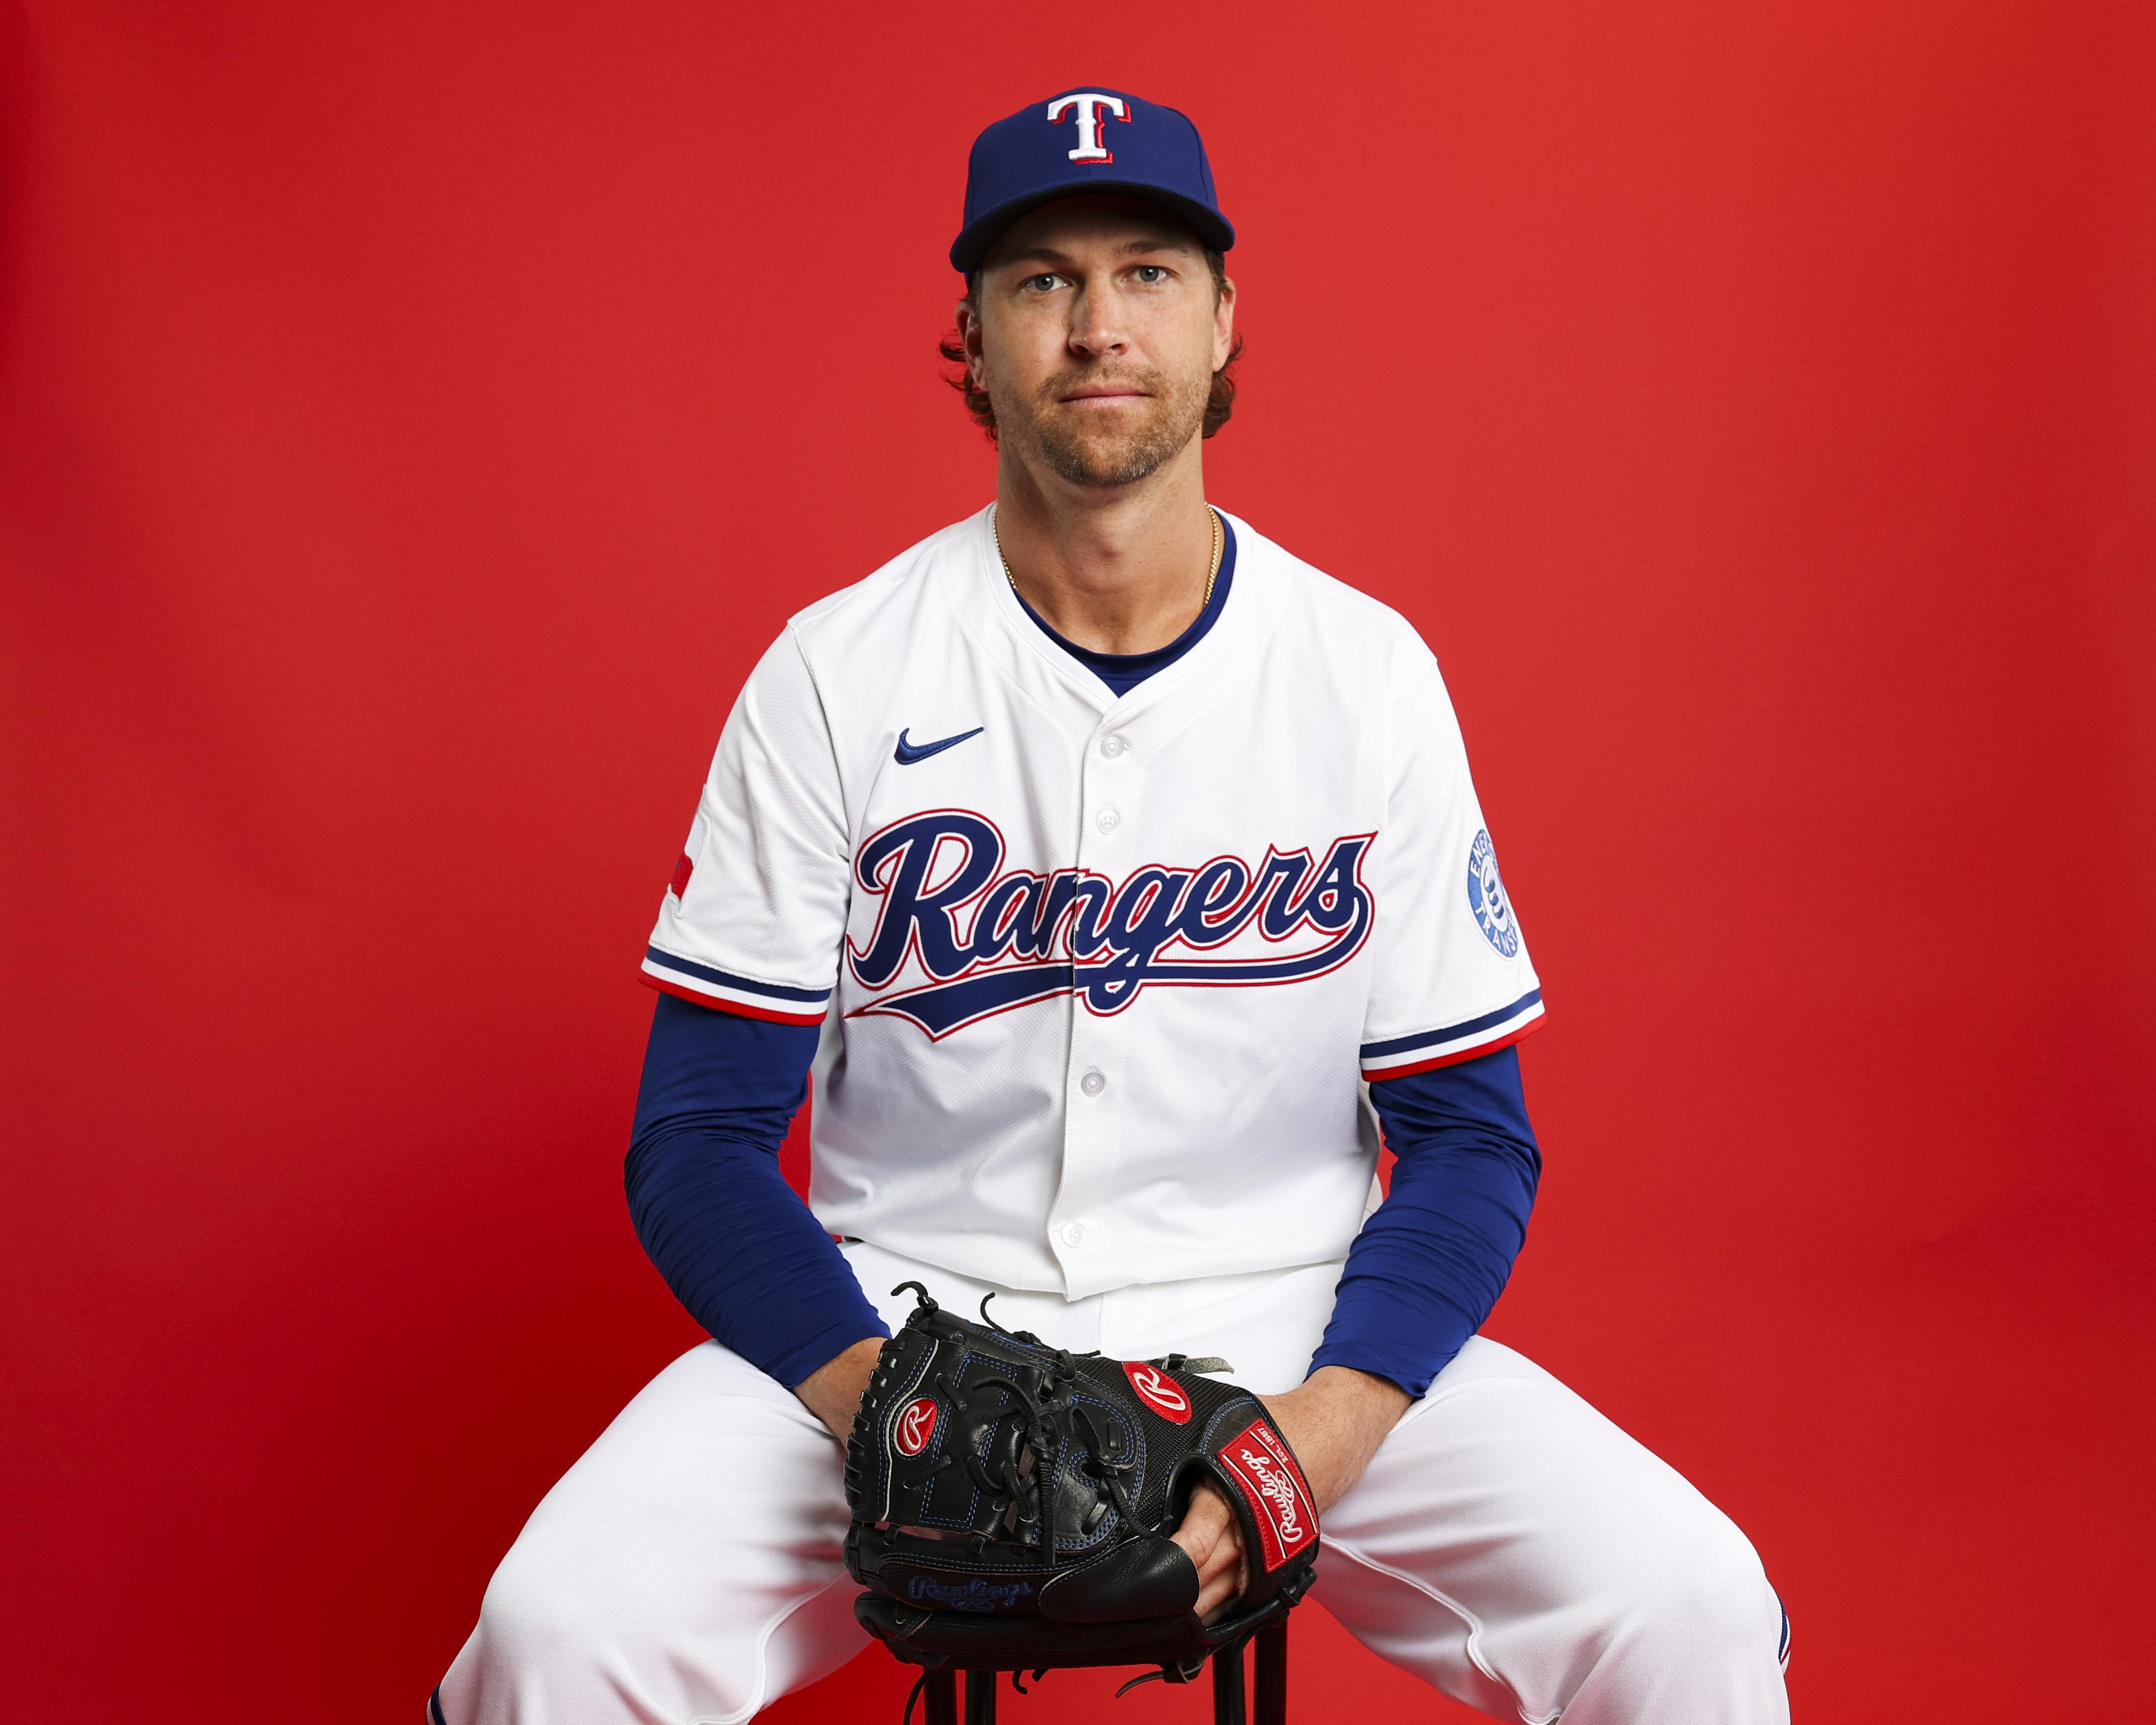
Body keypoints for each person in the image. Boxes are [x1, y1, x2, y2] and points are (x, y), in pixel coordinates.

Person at [432, 86, 1790, 1725]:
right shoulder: (834, 673)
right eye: (1040, 281)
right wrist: (887, 1414)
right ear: (974, 335)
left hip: (1285, 1318)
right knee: (558, 1629)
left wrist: (1319, 1435)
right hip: (905, 1310)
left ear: (1224, 319)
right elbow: (696, 1139)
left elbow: (1470, 1137)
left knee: (1687, 1602)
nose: (1096, 325)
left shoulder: (1364, 674)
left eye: (1146, 272)